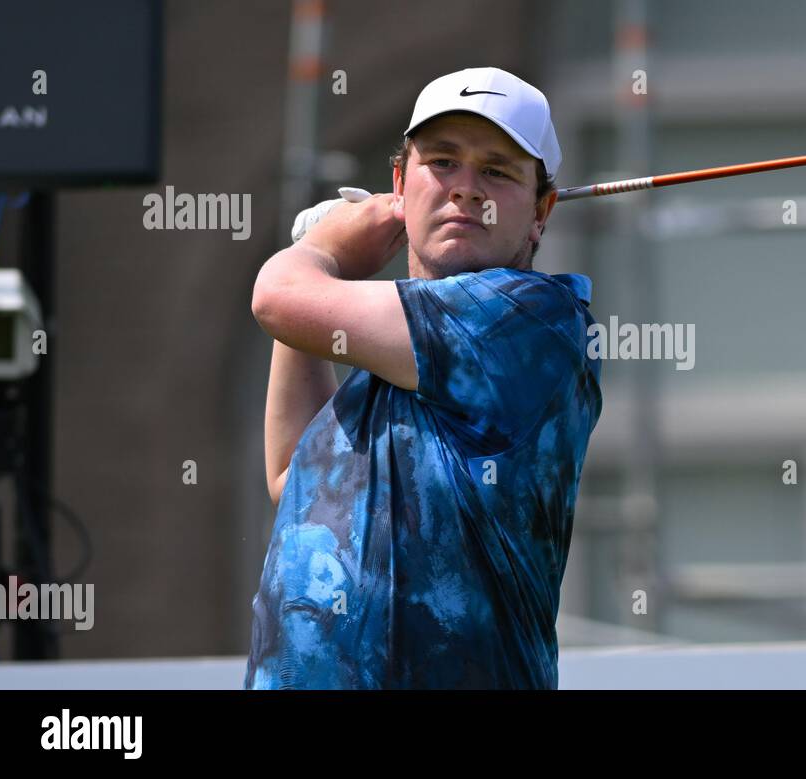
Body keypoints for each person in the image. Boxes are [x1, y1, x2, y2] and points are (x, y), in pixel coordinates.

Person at [245, 67, 601, 689]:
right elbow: (295, 482)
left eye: (497, 170)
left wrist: (322, 252)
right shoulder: (393, 363)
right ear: (400, 184)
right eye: (442, 162)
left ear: (542, 210)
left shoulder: (527, 321)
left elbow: (276, 296)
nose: (465, 189)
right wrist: (320, 265)